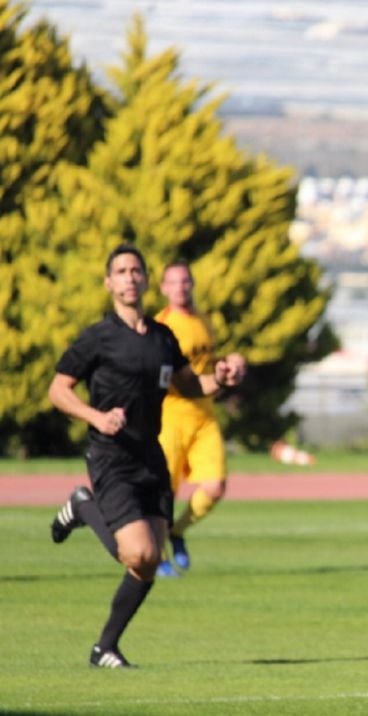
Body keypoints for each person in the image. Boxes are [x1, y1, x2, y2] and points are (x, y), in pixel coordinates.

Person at [48, 244, 245, 668]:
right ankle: (83, 506)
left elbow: (189, 386)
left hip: (149, 455)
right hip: (110, 455)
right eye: (121, 271)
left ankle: (105, 648)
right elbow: (58, 390)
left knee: (150, 562)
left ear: (146, 279)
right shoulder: (97, 338)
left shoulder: (162, 337)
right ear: (109, 283)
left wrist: (222, 378)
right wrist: (95, 417)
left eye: (136, 270)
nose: (130, 277)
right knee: (136, 553)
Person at [155, 261, 247, 576]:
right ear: (163, 288)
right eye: (173, 282)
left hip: (204, 413)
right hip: (171, 413)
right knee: (164, 491)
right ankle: (158, 554)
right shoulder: (161, 326)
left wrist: (229, 366)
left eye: (185, 281)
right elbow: (175, 378)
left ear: (192, 284)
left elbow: (208, 365)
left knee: (215, 486)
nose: (180, 287)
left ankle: (176, 532)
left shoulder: (205, 320)